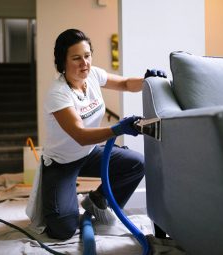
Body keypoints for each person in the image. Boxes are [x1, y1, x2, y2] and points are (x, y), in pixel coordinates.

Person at [35, 28, 166, 240]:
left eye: (87, 56)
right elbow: (80, 134)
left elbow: (124, 83)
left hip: (89, 154)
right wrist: (118, 129)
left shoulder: (93, 75)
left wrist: (147, 80)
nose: (84, 63)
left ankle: (98, 200)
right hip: (61, 162)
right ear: (62, 62)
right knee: (63, 230)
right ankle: (57, 202)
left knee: (138, 164)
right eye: (76, 58)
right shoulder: (58, 94)